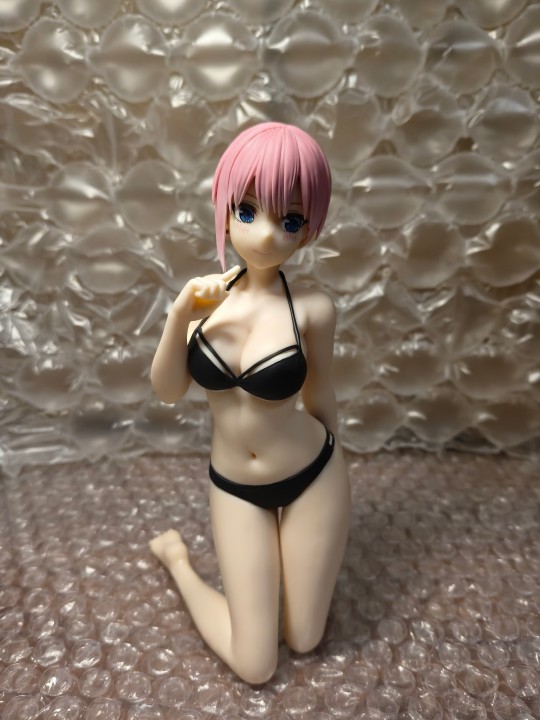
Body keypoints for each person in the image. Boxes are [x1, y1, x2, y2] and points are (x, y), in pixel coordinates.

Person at [149, 122, 350, 684]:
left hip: (313, 475)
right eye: (246, 211)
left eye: (290, 220)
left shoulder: (313, 309)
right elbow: (168, 390)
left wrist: (340, 467)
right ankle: (179, 564)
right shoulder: (205, 304)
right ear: (224, 208)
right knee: (256, 665)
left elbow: (321, 392)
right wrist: (178, 316)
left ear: (308, 228)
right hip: (236, 486)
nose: (265, 234)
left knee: (305, 639)